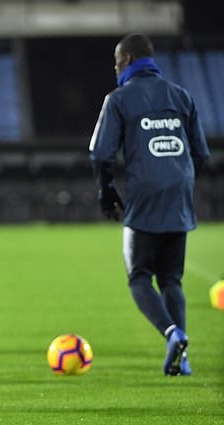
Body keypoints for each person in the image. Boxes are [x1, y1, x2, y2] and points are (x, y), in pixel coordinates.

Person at [89, 33, 210, 376]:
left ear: (127, 60)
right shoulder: (181, 95)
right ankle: (183, 357)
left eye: (116, 64)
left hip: (144, 195)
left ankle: (172, 334)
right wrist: (179, 180)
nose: (116, 70)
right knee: (171, 279)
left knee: (139, 276)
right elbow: (201, 154)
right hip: (179, 193)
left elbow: (100, 154)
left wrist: (107, 194)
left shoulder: (119, 99)